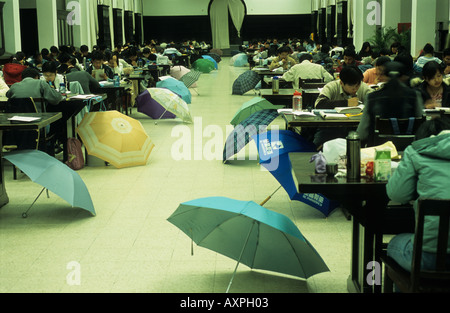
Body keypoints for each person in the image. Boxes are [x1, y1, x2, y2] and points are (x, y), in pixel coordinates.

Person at [386, 116, 450, 273]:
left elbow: (396, 195)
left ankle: (409, 286)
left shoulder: (416, 151)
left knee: (395, 243)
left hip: (429, 258)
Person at [356, 61, 424, 144]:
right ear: (404, 77)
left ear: (384, 76)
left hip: (378, 151)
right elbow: (422, 128)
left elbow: (362, 133)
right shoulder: (415, 96)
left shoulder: (372, 98)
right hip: (409, 150)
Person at [313, 65, 373, 147]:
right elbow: (319, 104)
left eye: (357, 85)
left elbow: (375, 102)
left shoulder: (363, 87)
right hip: (330, 128)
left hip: (356, 128)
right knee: (317, 146)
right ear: (341, 83)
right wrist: (346, 103)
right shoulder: (332, 86)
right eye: (351, 86)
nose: (355, 89)